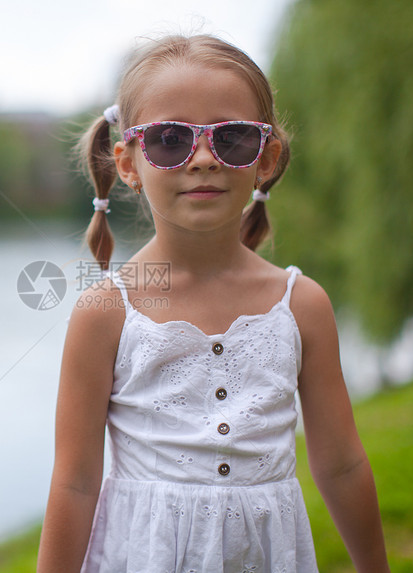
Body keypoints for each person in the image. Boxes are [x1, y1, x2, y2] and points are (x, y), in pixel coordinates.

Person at [37, 34, 389, 573]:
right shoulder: (106, 311)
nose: (203, 158)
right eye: (171, 140)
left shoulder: (301, 305)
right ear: (129, 163)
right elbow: (76, 482)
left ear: (265, 158)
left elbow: (341, 465)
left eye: (234, 138)